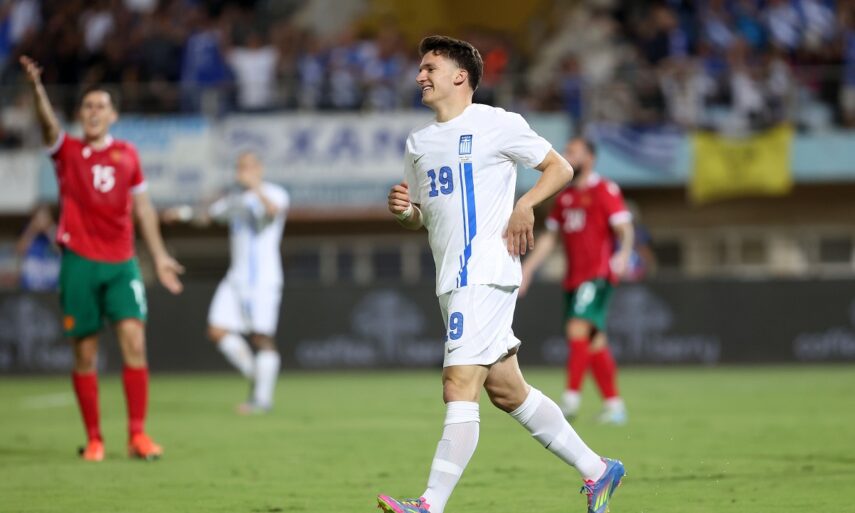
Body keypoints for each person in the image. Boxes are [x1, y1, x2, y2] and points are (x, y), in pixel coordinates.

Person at [377, 36, 625, 513]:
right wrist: (406, 212)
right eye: (420, 68)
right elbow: (423, 216)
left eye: (429, 68)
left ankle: (430, 504)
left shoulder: (497, 123)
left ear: (460, 76)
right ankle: (598, 469)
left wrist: (525, 204)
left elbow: (559, 168)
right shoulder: (418, 143)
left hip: (486, 271)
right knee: (507, 391)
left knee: (457, 384)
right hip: (452, 279)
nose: (420, 76)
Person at [19, 55, 184, 462]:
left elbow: (143, 208)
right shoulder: (68, 151)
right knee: (85, 353)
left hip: (122, 262)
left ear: (114, 115)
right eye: (87, 106)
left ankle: (137, 435)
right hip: (79, 262)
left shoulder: (128, 155)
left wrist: (160, 255)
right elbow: (48, 125)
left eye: (101, 106)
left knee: (135, 341)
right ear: (80, 114)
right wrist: (38, 90)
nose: (93, 112)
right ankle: (94, 438)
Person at [164, 151, 289, 413]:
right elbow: (208, 216)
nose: (243, 171)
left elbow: (272, 211)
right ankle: (257, 376)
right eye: (240, 167)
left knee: (261, 336)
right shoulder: (235, 199)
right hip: (236, 278)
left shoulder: (275, 193)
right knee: (216, 330)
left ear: (259, 169)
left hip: (262, 279)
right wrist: (181, 214)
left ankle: (262, 400)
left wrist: (255, 187)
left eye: (248, 166)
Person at [520, 138, 634, 425]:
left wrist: (623, 255)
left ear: (590, 158)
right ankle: (614, 406)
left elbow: (624, 228)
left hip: (597, 275)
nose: (567, 155)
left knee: (576, 329)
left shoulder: (604, 189)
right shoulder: (565, 197)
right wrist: (528, 269)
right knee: (594, 342)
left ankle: (569, 402)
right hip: (574, 278)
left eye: (573, 152)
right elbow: (550, 238)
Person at [15, 204, 61, 291]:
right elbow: (19, 250)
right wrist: (32, 230)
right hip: (30, 286)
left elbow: (59, 250)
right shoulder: (29, 232)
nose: (41, 221)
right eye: (38, 218)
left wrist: (49, 229)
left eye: (45, 217)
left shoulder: (55, 231)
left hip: (51, 287)